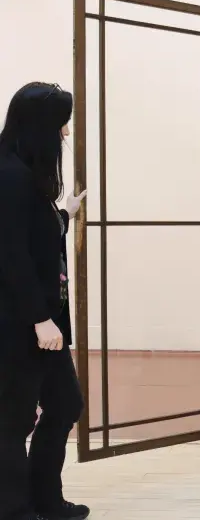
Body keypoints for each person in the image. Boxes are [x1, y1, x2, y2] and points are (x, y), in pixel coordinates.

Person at [0, 82, 90, 520]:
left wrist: (64, 215)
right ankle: (16, 510)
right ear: (40, 127)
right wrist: (39, 319)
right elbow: (11, 256)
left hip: (44, 325)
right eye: (61, 124)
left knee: (64, 404)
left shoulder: (25, 174)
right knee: (12, 421)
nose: (66, 133)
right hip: (22, 324)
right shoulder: (8, 175)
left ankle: (45, 501)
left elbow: (33, 238)